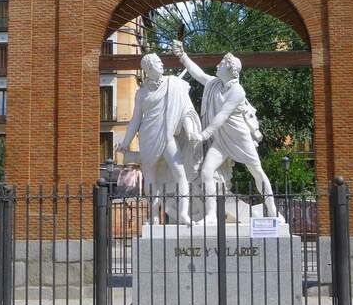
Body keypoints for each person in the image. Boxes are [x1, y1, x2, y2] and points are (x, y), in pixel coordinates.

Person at [172, 40, 278, 223]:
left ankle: (272, 209)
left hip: (239, 139)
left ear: (229, 69)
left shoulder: (238, 91)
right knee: (206, 172)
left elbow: (220, 118)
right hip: (221, 142)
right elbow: (198, 74)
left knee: (257, 172)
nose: (217, 65)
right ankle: (211, 215)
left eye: (221, 63)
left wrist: (202, 136)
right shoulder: (215, 84)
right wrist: (182, 56)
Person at [115, 53, 202, 225]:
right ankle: (154, 215)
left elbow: (185, 109)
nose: (162, 65)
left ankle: (184, 214)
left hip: (167, 135)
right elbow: (135, 119)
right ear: (148, 68)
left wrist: (189, 129)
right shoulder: (141, 93)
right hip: (148, 137)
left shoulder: (173, 83)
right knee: (150, 178)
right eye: (157, 63)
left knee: (180, 174)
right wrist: (125, 143)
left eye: (161, 62)